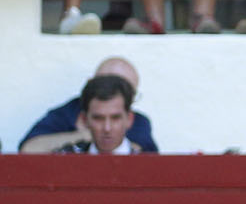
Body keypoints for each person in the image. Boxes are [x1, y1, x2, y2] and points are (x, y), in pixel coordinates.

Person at [20, 57, 160, 154]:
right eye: (98, 118)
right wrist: (86, 136)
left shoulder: (140, 121)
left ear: (129, 118)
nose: (107, 127)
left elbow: (147, 159)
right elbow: (29, 149)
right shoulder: (67, 112)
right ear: (84, 119)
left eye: (115, 118)